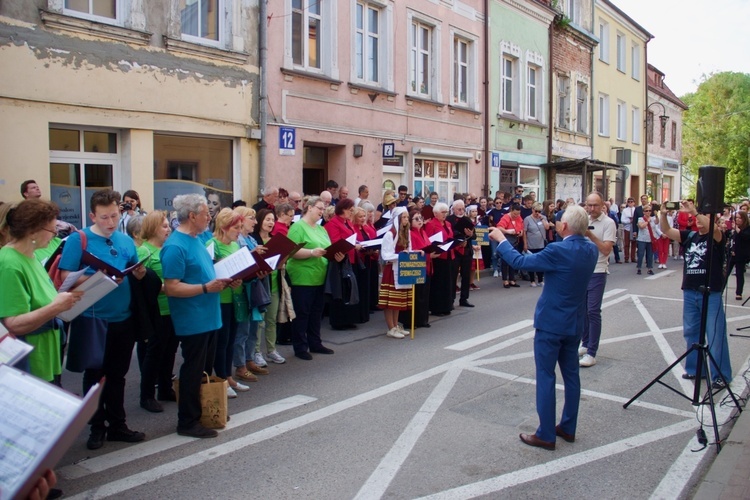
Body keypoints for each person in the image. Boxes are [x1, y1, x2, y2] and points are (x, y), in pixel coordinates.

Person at [491, 204, 598, 450]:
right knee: (571, 375)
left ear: (565, 226)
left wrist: (501, 239)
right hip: (574, 322)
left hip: (551, 323)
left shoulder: (558, 249)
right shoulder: (590, 250)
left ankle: (546, 433)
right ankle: (568, 427)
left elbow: (519, 262)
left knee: (546, 376)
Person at [59, 189, 147, 450]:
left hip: (123, 317)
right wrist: (100, 278)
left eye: (114, 216)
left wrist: (139, 271)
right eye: (104, 217)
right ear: (92, 216)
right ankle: (97, 427)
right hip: (92, 318)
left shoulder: (124, 240)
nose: (110, 222)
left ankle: (118, 425)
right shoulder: (79, 240)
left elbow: (134, 269)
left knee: (118, 374)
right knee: (94, 375)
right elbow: (66, 276)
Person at [162, 194, 230, 438]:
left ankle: (206, 410)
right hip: (193, 318)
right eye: (205, 213)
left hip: (209, 314)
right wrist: (205, 288)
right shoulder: (175, 246)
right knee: (193, 369)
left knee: (205, 368)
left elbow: (205, 271)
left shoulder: (197, 238)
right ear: (192, 216)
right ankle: (187, 421)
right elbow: (171, 287)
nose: (209, 216)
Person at [0, 200, 82, 383]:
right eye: (52, 231)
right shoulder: (9, 264)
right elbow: (13, 324)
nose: (54, 236)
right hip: (27, 361)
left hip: (43, 355)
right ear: (32, 231)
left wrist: (62, 302)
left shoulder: (31, 256)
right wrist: (56, 306)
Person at [659, 202, 732, 390]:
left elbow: (713, 229)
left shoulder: (716, 236)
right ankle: (694, 368)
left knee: (715, 334)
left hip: (711, 291)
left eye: (704, 218)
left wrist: (695, 211)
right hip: (691, 290)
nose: (699, 222)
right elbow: (666, 230)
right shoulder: (690, 236)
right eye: (697, 218)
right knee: (691, 332)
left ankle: (720, 374)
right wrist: (663, 214)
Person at [286, 196, 344, 360]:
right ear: (309, 207)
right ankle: (300, 346)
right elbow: (291, 252)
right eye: (319, 208)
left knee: (316, 312)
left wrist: (336, 256)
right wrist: (311, 252)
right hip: (302, 276)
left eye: (323, 209)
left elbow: (328, 249)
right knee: (302, 312)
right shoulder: (298, 227)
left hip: (320, 276)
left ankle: (315, 342)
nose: (322, 211)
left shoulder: (321, 229)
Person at [136, 210, 179, 413]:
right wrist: (166, 286)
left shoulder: (167, 249)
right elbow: (142, 283)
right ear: (153, 228)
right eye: (164, 225)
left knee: (170, 349)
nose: (168, 228)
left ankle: (165, 387)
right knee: (154, 353)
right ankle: (147, 395)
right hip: (157, 310)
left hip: (172, 306)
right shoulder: (144, 251)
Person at [205, 208, 251, 398]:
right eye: (236, 227)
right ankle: (221, 379)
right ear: (224, 228)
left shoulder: (235, 245)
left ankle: (229, 377)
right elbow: (209, 272)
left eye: (241, 227)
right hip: (220, 299)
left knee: (231, 339)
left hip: (235, 296)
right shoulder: (212, 244)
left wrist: (241, 278)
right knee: (221, 341)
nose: (239, 231)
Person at [233, 206, 273, 379]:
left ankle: (249, 360)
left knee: (253, 328)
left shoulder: (250, 238)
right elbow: (236, 261)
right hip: (242, 289)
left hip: (255, 286)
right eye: (252, 218)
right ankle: (240, 366)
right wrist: (253, 254)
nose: (255, 222)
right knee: (242, 330)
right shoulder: (237, 239)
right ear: (241, 219)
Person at [579, 192, 616, 368]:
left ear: (602, 205)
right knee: (583, 310)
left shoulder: (608, 223)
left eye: (595, 205)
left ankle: (592, 352)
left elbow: (606, 250)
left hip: (598, 270)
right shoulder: (583, 219)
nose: (592, 209)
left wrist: (591, 235)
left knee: (593, 311)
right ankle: (585, 344)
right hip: (582, 270)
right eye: (589, 205)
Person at [250, 208, 286, 365]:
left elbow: (280, 263)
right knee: (259, 321)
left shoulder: (275, 239)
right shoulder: (253, 239)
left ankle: (271, 350)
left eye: (272, 220)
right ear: (260, 221)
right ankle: (256, 352)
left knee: (272, 319)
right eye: (267, 219)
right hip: (259, 283)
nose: (271, 223)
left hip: (274, 283)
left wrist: (283, 259)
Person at [324, 198, 362, 329]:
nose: (352, 212)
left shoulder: (347, 222)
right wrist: (352, 246)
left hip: (349, 259)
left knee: (349, 289)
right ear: (343, 209)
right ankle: (339, 321)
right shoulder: (333, 223)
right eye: (350, 210)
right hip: (339, 260)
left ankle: (349, 319)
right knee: (340, 290)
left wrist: (355, 244)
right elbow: (335, 241)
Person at [379, 207, 413, 338]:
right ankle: (390, 327)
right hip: (392, 270)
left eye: (407, 217)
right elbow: (386, 255)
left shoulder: (406, 232)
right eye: (403, 217)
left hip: (402, 269)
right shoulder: (390, 234)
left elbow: (409, 248)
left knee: (398, 300)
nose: (406, 220)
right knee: (390, 301)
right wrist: (400, 256)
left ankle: (396, 325)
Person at [399, 209, 434, 329]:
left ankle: (422, 319)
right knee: (416, 295)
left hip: (427, 266)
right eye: (416, 219)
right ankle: (413, 320)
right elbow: (411, 251)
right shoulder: (410, 233)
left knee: (424, 294)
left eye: (421, 218)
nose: (420, 221)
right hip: (416, 268)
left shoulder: (423, 232)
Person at [425, 202, 454, 316]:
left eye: (446, 212)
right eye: (443, 212)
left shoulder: (447, 224)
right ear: (435, 213)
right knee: (438, 283)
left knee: (447, 282)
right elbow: (428, 240)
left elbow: (450, 237)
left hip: (448, 254)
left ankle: (446, 306)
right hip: (437, 256)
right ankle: (437, 307)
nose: (445, 214)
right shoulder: (431, 224)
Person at [447, 200, 475, 307]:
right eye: (459, 209)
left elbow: (474, 235)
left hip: (466, 251)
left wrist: (471, 234)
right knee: (453, 276)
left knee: (466, 275)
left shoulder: (467, 219)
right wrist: (459, 239)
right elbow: (449, 234)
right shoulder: (449, 220)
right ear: (453, 209)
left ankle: (464, 299)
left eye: (463, 209)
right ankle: (451, 299)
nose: (461, 211)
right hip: (455, 251)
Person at [497, 203, 524, 288]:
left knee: (513, 259)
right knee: (505, 261)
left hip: (515, 240)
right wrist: (508, 231)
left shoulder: (519, 218)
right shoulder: (506, 217)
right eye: (515, 214)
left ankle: (512, 279)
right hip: (506, 239)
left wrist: (521, 233)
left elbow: (522, 227)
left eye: (518, 214)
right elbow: (499, 227)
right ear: (511, 211)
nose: (516, 216)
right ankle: (505, 280)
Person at [523, 202, 550, 287]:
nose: (537, 213)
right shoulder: (527, 219)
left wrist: (542, 219)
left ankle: (540, 280)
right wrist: (525, 244)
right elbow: (524, 232)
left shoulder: (543, 217)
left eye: (539, 211)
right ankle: (532, 280)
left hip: (541, 244)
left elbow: (547, 227)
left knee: (540, 262)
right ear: (532, 210)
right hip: (531, 244)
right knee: (532, 262)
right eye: (536, 211)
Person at [728, 210, 750, 300]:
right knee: (725, 273)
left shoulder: (747, 228)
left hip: (741, 255)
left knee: (739, 273)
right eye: (736, 217)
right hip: (732, 253)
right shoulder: (733, 229)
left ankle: (739, 293)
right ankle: (719, 290)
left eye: (739, 218)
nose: (737, 219)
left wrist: (737, 229)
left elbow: (746, 237)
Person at [635, 204, 655, 276]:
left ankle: (650, 268)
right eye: (646, 211)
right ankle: (639, 268)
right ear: (643, 212)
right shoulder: (640, 219)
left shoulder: (652, 218)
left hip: (650, 239)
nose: (648, 212)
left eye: (650, 211)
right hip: (642, 239)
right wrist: (647, 221)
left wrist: (657, 215)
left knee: (650, 254)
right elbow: (641, 226)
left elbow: (657, 223)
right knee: (640, 254)